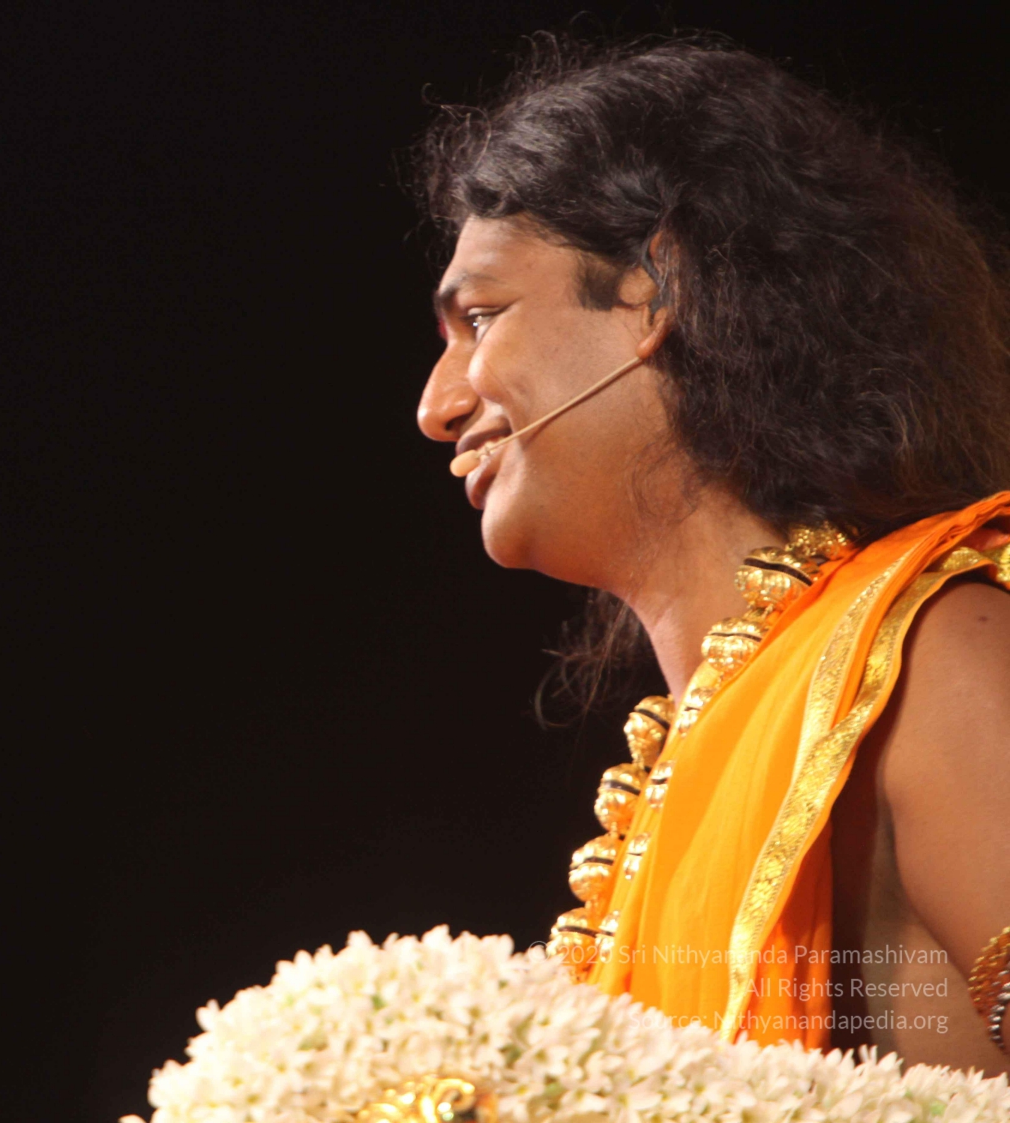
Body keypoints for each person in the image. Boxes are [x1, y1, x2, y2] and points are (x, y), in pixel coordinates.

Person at [411, 35, 1010, 1074]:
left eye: (481, 317)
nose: (435, 405)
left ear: (655, 288)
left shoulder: (929, 652)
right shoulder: (676, 769)